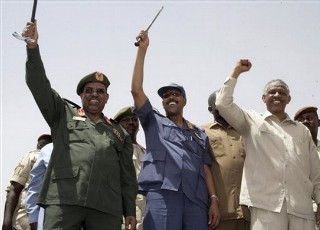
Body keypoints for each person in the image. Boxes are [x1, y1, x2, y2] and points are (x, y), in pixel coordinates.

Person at [21, 20, 137, 230]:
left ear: (107, 97)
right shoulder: (62, 114)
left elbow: (127, 176)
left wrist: (129, 210)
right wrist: (32, 48)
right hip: (64, 199)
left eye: (100, 91)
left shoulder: (119, 133)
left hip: (106, 206)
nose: (94, 95)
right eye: (89, 90)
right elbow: (39, 85)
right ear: (81, 95)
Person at [215, 59, 320, 230]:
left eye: (282, 92)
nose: (277, 95)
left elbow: (315, 171)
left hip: (302, 207)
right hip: (266, 206)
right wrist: (236, 72)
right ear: (263, 98)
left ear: (289, 99)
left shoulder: (302, 131)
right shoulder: (250, 121)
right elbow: (222, 103)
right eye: (272, 92)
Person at [130, 30, 220, 230]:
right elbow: (136, 90)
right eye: (166, 95)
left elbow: (206, 168)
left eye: (176, 94)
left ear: (184, 100)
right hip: (163, 195)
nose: (171, 97)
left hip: (196, 199)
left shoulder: (198, 133)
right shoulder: (153, 122)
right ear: (162, 102)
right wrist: (142, 51)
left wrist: (213, 200)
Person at [201, 90, 250, 230]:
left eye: (228, 103)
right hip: (219, 213)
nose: (224, 107)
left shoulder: (246, 133)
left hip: (248, 212)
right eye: (219, 104)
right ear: (210, 109)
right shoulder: (201, 132)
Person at [2, 134, 52, 230]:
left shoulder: (33, 156)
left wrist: (6, 222)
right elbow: (14, 189)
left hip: (31, 220)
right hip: (28, 221)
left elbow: (13, 189)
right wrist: (6, 223)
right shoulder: (32, 156)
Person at [114, 106, 146, 230]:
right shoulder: (115, 150)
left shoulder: (145, 152)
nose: (131, 123)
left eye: (134, 119)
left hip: (144, 212)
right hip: (123, 212)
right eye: (126, 120)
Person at [26, 143, 53, 230]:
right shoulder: (49, 149)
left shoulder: (95, 148)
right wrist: (33, 220)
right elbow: (35, 188)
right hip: (50, 220)